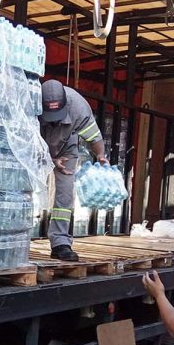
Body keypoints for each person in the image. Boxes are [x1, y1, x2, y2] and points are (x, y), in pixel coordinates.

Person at [39, 79, 107, 261]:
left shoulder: (78, 107)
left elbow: (94, 136)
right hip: (35, 147)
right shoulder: (30, 103)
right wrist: (48, 159)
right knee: (24, 189)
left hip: (65, 148)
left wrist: (100, 156)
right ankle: (15, 238)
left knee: (65, 194)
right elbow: (22, 142)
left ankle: (60, 243)